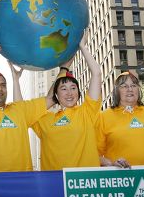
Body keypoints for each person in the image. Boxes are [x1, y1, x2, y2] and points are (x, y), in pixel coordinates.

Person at [0, 26, 54, 172]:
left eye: (3, 85)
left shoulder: (19, 110)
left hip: (23, 185)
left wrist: (65, 67)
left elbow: (51, 98)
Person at [31, 31, 102, 170]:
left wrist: (82, 47)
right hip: (53, 185)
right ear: (56, 95)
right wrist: (15, 79)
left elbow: (97, 74)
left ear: (78, 92)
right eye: (63, 89)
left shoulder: (87, 112)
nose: (69, 93)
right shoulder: (44, 120)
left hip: (84, 184)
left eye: (73, 88)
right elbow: (21, 111)